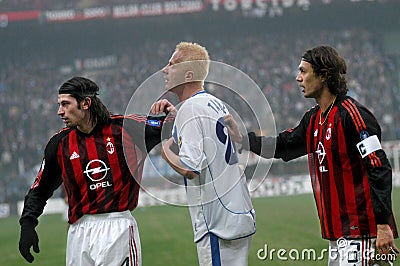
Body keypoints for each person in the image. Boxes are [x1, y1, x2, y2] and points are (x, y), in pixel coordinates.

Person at [225, 45, 399, 265]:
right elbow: (283, 146)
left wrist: (383, 225)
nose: (298, 78)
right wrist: (243, 139)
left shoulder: (353, 116)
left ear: (324, 75)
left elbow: (379, 167)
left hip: (363, 232)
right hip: (338, 236)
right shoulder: (313, 119)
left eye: (303, 71)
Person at [18, 76, 171, 265]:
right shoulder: (59, 144)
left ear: (85, 103)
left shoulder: (125, 129)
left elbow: (170, 126)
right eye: (59, 105)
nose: (60, 111)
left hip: (117, 227)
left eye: (65, 104)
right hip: (78, 233)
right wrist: (28, 223)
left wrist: (173, 112)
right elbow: (40, 188)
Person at [152, 42, 256, 266]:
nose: (164, 69)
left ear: (188, 74)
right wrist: (177, 115)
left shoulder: (190, 109)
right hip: (238, 212)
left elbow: (190, 168)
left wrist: (165, 151)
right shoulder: (216, 104)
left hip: (216, 224)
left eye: (172, 64)